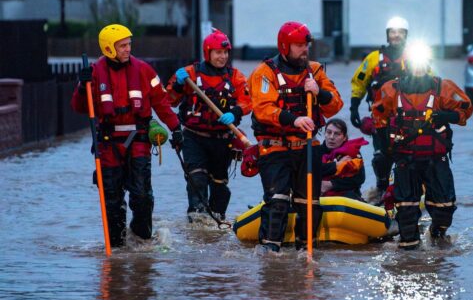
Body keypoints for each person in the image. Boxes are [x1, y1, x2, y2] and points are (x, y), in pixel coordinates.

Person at [71, 24, 183, 247]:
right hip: (108, 142)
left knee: (142, 195)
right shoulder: (93, 73)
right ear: (109, 48)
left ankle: (141, 240)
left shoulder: (144, 70)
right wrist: (83, 88)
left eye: (129, 44)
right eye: (122, 45)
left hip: (139, 139)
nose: (127, 49)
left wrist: (176, 128)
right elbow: (80, 107)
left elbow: (161, 102)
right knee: (111, 199)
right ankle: (117, 245)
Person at [248, 21, 343, 252]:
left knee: (309, 204)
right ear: (284, 47)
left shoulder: (316, 71)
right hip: (275, 148)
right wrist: (295, 120)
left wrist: (319, 93)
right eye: (299, 45)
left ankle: (305, 251)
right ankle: (270, 253)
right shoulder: (264, 73)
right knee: (278, 200)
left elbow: (336, 105)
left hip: (306, 148)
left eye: (306, 45)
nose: (304, 49)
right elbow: (263, 109)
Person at [372, 41, 473, 250]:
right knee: (406, 211)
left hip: (435, 159)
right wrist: (386, 149)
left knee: (444, 207)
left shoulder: (442, 87)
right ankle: (409, 256)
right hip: (405, 160)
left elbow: (466, 108)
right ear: (406, 65)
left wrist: (447, 115)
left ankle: (437, 235)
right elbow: (378, 117)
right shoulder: (391, 90)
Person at [166, 29, 252, 222]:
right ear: (208, 53)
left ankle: (217, 220)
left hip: (222, 140)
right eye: (218, 53)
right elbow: (169, 100)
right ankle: (197, 220)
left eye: (225, 53)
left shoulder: (235, 76)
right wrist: (179, 86)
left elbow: (247, 102)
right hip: (194, 137)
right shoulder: (189, 74)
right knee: (196, 178)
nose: (223, 57)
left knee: (219, 184)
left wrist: (235, 113)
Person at [349, 16, 410, 203]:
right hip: (381, 119)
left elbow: (432, 82)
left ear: (406, 35)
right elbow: (359, 81)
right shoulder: (374, 58)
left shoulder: (415, 57)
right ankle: (381, 188)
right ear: (387, 35)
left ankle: (408, 189)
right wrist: (354, 107)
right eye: (393, 32)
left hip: (408, 119)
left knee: (407, 157)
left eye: (400, 32)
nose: (396, 35)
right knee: (381, 158)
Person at [320, 118, 367, 201]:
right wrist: (337, 165)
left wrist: (332, 184)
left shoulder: (352, 152)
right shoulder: (316, 151)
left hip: (347, 197)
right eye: (329, 132)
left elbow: (359, 178)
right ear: (325, 133)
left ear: (344, 137)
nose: (331, 137)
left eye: (337, 134)